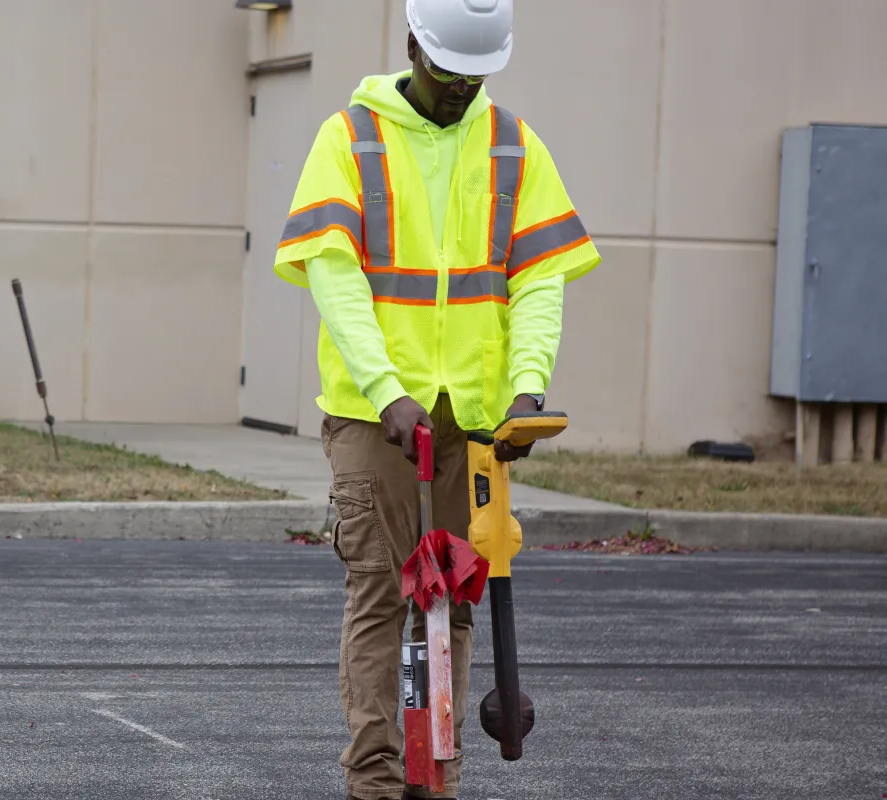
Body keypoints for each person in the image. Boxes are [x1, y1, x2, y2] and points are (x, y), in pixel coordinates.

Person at [272, 1, 601, 798]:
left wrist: (527, 386)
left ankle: (437, 769)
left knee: (453, 599)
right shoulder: (350, 138)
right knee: (384, 594)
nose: (461, 90)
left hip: (475, 421)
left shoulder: (515, 146)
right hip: (375, 418)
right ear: (413, 44)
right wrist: (386, 391)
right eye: (448, 73)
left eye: (475, 77)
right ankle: (379, 781)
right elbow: (336, 279)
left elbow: (538, 281)